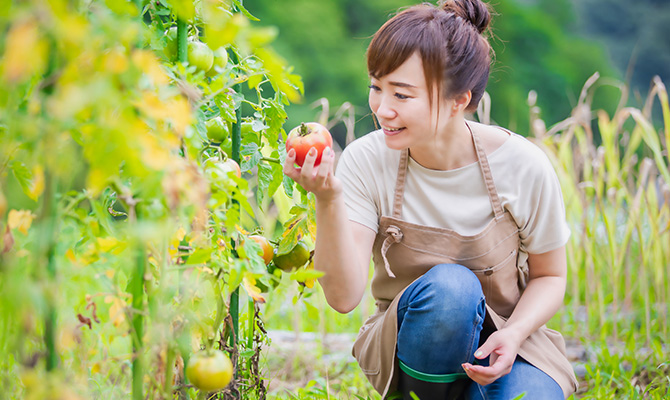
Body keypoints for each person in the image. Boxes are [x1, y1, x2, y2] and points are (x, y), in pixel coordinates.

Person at [283, 0, 578, 398]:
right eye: (376, 87)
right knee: (451, 289)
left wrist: (514, 335)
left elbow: (550, 276)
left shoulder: (522, 165)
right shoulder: (367, 161)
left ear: (460, 100)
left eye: (402, 95)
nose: (382, 109)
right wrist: (328, 200)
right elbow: (342, 297)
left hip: (510, 340)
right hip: (411, 352)